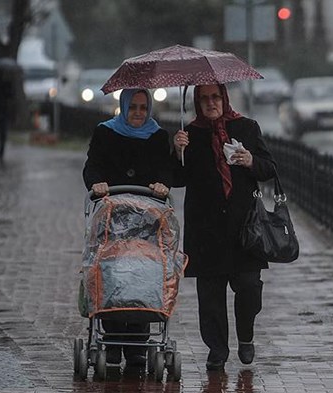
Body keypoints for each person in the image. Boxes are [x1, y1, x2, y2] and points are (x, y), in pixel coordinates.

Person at [172, 83, 277, 371]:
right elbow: (176, 178)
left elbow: (269, 168)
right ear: (197, 102)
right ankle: (217, 350)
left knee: (249, 287)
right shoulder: (190, 134)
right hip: (206, 228)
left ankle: (246, 336)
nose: (210, 103)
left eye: (215, 97)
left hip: (244, 227)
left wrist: (251, 160)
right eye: (204, 99)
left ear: (224, 98)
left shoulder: (246, 127)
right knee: (211, 296)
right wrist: (177, 151)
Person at [82, 88, 174, 366]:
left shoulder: (158, 136)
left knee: (143, 271)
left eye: (143, 108)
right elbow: (92, 166)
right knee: (112, 270)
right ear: (123, 106)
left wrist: (162, 183)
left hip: (147, 217)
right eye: (132, 107)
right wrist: (97, 183)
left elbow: (166, 169)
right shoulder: (105, 132)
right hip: (112, 214)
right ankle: (110, 337)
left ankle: (138, 341)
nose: (137, 113)